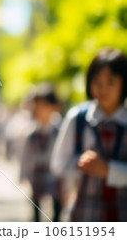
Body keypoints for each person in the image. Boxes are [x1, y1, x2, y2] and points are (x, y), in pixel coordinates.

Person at [51, 48, 127, 222]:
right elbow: (57, 164)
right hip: (84, 215)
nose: (103, 88)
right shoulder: (77, 118)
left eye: (110, 81)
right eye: (97, 81)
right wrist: (80, 163)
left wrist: (108, 170)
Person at [20, 84, 63, 222]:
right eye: (36, 106)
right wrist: (23, 174)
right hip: (37, 173)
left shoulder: (59, 130)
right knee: (36, 207)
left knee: (57, 207)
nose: (39, 110)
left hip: (56, 175)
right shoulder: (32, 133)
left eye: (43, 105)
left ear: (54, 106)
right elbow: (26, 156)